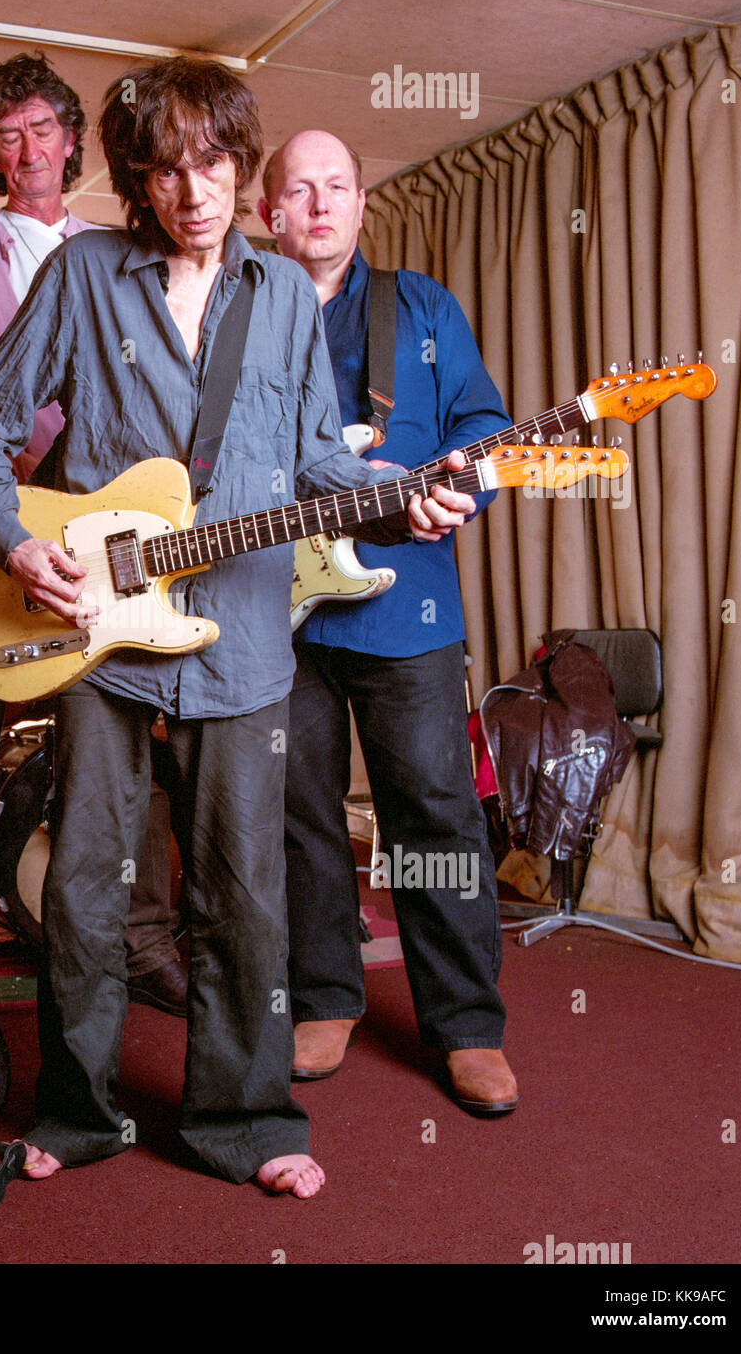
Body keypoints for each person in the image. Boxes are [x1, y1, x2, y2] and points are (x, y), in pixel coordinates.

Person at [0, 59, 477, 1198]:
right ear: (136, 177)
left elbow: (311, 462)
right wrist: (16, 544)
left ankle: (240, 1117)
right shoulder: (85, 272)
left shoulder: (283, 295)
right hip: (97, 628)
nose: (195, 191)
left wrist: (402, 493)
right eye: (167, 169)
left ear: (243, 167)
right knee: (85, 879)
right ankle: (78, 1110)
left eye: (215, 165)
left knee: (241, 885)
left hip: (237, 633)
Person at [0, 53, 185, 1014]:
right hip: (2, 530)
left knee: (115, 740)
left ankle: (130, 942)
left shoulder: (120, 251)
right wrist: (15, 509)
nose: (26, 149)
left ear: (73, 140)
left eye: (41, 129)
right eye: (6, 135)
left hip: (110, 539)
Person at [259, 129, 517, 1114]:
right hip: (272, 611)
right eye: (298, 190)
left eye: (337, 186)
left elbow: (483, 430)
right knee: (297, 814)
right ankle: (324, 995)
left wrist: (458, 492)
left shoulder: (418, 308)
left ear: (361, 203)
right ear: (267, 213)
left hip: (403, 610)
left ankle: (465, 1024)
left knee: (431, 815)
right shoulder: (238, 318)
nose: (320, 205)